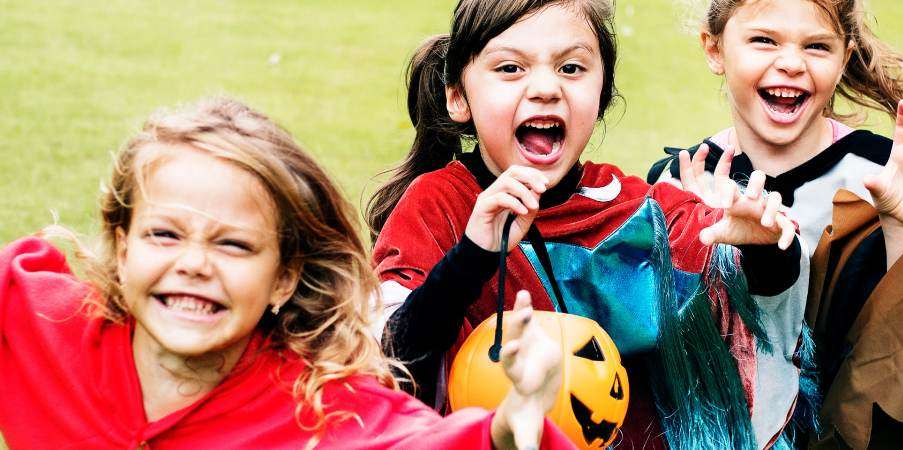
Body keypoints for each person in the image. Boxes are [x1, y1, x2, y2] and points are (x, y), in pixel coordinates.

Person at [0, 97, 572, 450]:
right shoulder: (44, 326)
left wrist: (510, 426)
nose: (194, 264)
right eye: (164, 234)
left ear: (284, 277)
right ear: (122, 246)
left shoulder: (326, 417)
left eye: (235, 245)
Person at [365, 1, 808, 449]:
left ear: (602, 94)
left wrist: (764, 246)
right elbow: (389, 364)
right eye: (511, 68)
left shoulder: (637, 209)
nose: (545, 88)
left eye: (571, 67)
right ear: (458, 96)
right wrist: (473, 255)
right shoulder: (437, 205)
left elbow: (750, 288)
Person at [647, 0, 903, 447]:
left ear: (844, 59)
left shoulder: (889, 172)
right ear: (714, 49)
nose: (790, 63)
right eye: (764, 40)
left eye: (817, 46)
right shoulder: (681, 180)